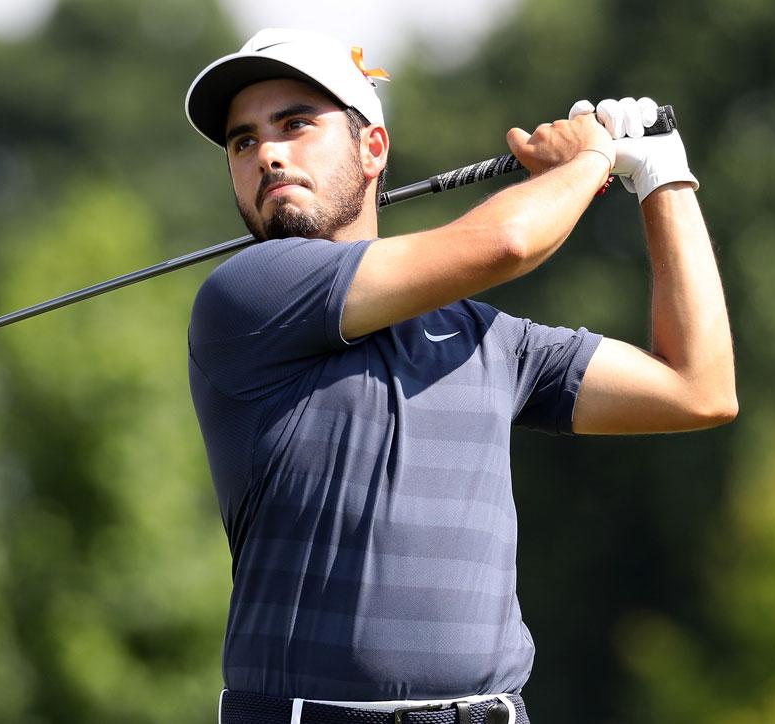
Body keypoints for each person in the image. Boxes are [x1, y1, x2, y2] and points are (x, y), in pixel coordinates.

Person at [184, 28, 737, 724]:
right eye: (243, 141)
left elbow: (699, 388)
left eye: (296, 124)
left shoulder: (488, 339)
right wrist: (591, 157)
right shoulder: (246, 296)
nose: (267, 153)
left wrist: (663, 176)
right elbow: (507, 242)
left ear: (372, 149)